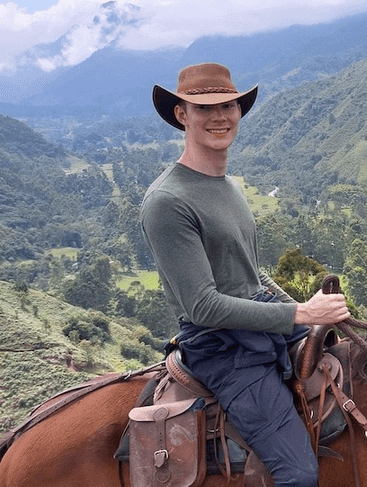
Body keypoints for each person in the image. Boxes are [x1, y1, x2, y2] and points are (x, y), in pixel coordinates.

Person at [141, 62, 349, 487]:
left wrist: (304, 307)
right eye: (205, 108)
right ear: (182, 114)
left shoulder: (229, 185)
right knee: (298, 473)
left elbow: (253, 276)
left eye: (228, 105)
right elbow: (203, 305)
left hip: (262, 321)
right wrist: (301, 316)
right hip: (221, 347)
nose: (220, 116)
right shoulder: (167, 201)